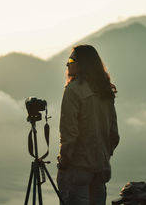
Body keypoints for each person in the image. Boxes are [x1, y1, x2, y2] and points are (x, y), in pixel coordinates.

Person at [57, 44, 119, 205]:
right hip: (101, 167)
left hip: (78, 167)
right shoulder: (105, 91)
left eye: (71, 59)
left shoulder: (73, 90)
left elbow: (69, 134)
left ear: (82, 63)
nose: (67, 63)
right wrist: (104, 154)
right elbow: (114, 134)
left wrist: (63, 161)